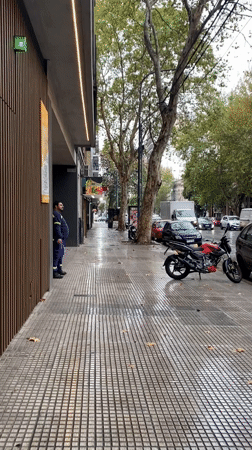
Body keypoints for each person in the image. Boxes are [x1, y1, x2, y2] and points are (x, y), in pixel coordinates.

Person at [53, 201, 69, 278]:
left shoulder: (59, 214)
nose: (62, 206)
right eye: (60, 205)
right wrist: (59, 237)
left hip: (62, 240)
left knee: (60, 254)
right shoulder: (56, 214)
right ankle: (54, 272)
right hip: (59, 240)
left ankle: (59, 269)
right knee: (57, 255)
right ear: (56, 206)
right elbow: (57, 227)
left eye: (62, 205)